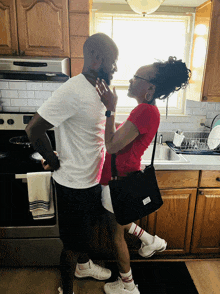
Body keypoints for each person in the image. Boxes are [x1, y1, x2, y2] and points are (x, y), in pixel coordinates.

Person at [25, 33, 119, 294]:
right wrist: (52, 159)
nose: (115, 68)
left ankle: (85, 266)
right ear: (96, 59)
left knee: (85, 236)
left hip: (91, 179)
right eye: (112, 62)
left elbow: (94, 132)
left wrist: (111, 109)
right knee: (72, 244)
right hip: (73, 184)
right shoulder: (72, 90)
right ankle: (66, 290)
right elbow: (33, 129)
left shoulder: (98, 89)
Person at [96, 56, 191, 294]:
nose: (130, 80)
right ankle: (151, 240)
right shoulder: (145, 110)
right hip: (121, 177)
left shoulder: (144, 111)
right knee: (120, 223)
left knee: (116, 234)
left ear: (150, 88)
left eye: (136, 77)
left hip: (119, 181)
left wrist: (110, 108)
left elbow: (112, 146)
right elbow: (120, 139)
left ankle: (128, 287)